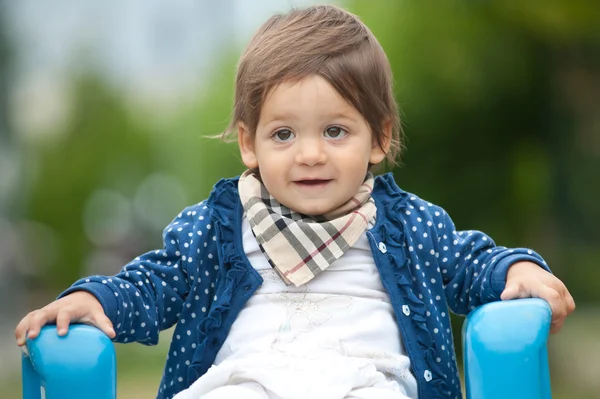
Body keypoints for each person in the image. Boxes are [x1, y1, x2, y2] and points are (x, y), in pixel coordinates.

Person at [15, 5, 575, 399]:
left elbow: (468, 260)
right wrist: (100, 299)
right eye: (284, 134)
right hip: (243, 385)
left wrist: (515, 267)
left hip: (366, 384)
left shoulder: (409, 226)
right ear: (248, 143)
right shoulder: (217, 228)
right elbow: (157, 281)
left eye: (335, 132)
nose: (310, 155)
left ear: (378, 138)